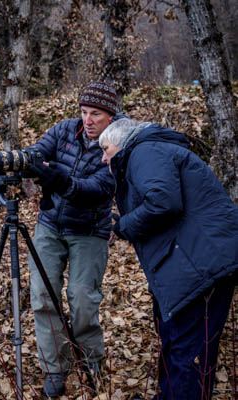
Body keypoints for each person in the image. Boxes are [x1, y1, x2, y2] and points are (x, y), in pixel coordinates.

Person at [99, 118, 238, 400]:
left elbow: (163, 202)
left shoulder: (143, 151)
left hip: (199, 268)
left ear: (121, 141)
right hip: (194, 265)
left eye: (105, 148)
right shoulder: (150, 152)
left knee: (187, 356)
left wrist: (123, 227)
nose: (103, 158)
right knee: (179, 348)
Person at [24, 82, 123, 397]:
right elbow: (36, 153)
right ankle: (55, 369)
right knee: (42, 296)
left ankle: (92, 360)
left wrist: (61, 180)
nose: (88, 120)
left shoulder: (119, 144)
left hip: (90, 230)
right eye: (84, 111)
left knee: (82, 298)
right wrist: (28, 162)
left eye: (96, 113)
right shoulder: (65, 129)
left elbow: (97, 189)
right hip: (50, 225)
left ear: (111, 116)